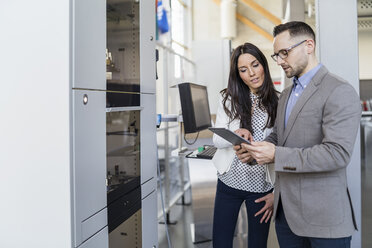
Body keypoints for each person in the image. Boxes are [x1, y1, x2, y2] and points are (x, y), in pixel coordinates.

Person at [235, 21, 361, 248]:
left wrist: (276, 155)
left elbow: (337, 154)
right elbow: (278, 138)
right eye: (276, 55)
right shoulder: (285, 95)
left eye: (285, 52)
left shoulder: (338, 90)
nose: (280, 60)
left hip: (324, 218)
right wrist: (256, 151)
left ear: (309, 45)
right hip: (287, 217)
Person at [212, 42, 279, 248]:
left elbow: (282, 145)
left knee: (258, 244)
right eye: (243, 69)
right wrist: (235, 134)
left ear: (264, 66)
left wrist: (275, 192)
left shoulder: (279, 101)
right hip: (229, 182)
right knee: (221, 243)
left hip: (261, 187)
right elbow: (216, 140)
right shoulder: (228, 99)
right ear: (238, 73)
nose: (251, 73)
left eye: (255, 65)